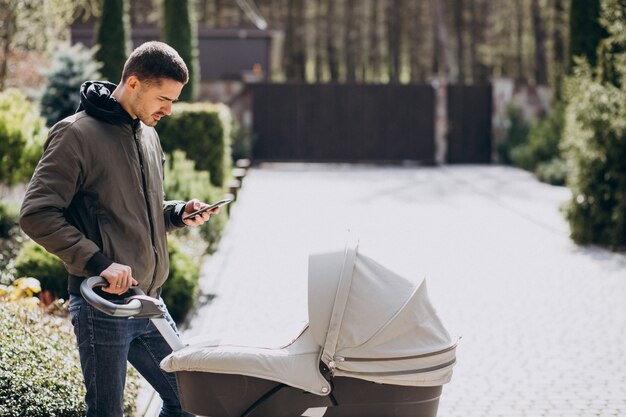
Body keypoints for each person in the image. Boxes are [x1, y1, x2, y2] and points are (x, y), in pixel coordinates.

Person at [20, 41, 213, 417]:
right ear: (135, 83)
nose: (168, 110)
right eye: (163, 98)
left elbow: (134, 210)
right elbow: (36, 213)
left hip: (149, 303)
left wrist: (177, 213)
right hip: (102, 306)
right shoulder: (76, 134)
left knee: (191, 400)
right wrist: (98, 262)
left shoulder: (147, 134)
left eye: (173, 101)